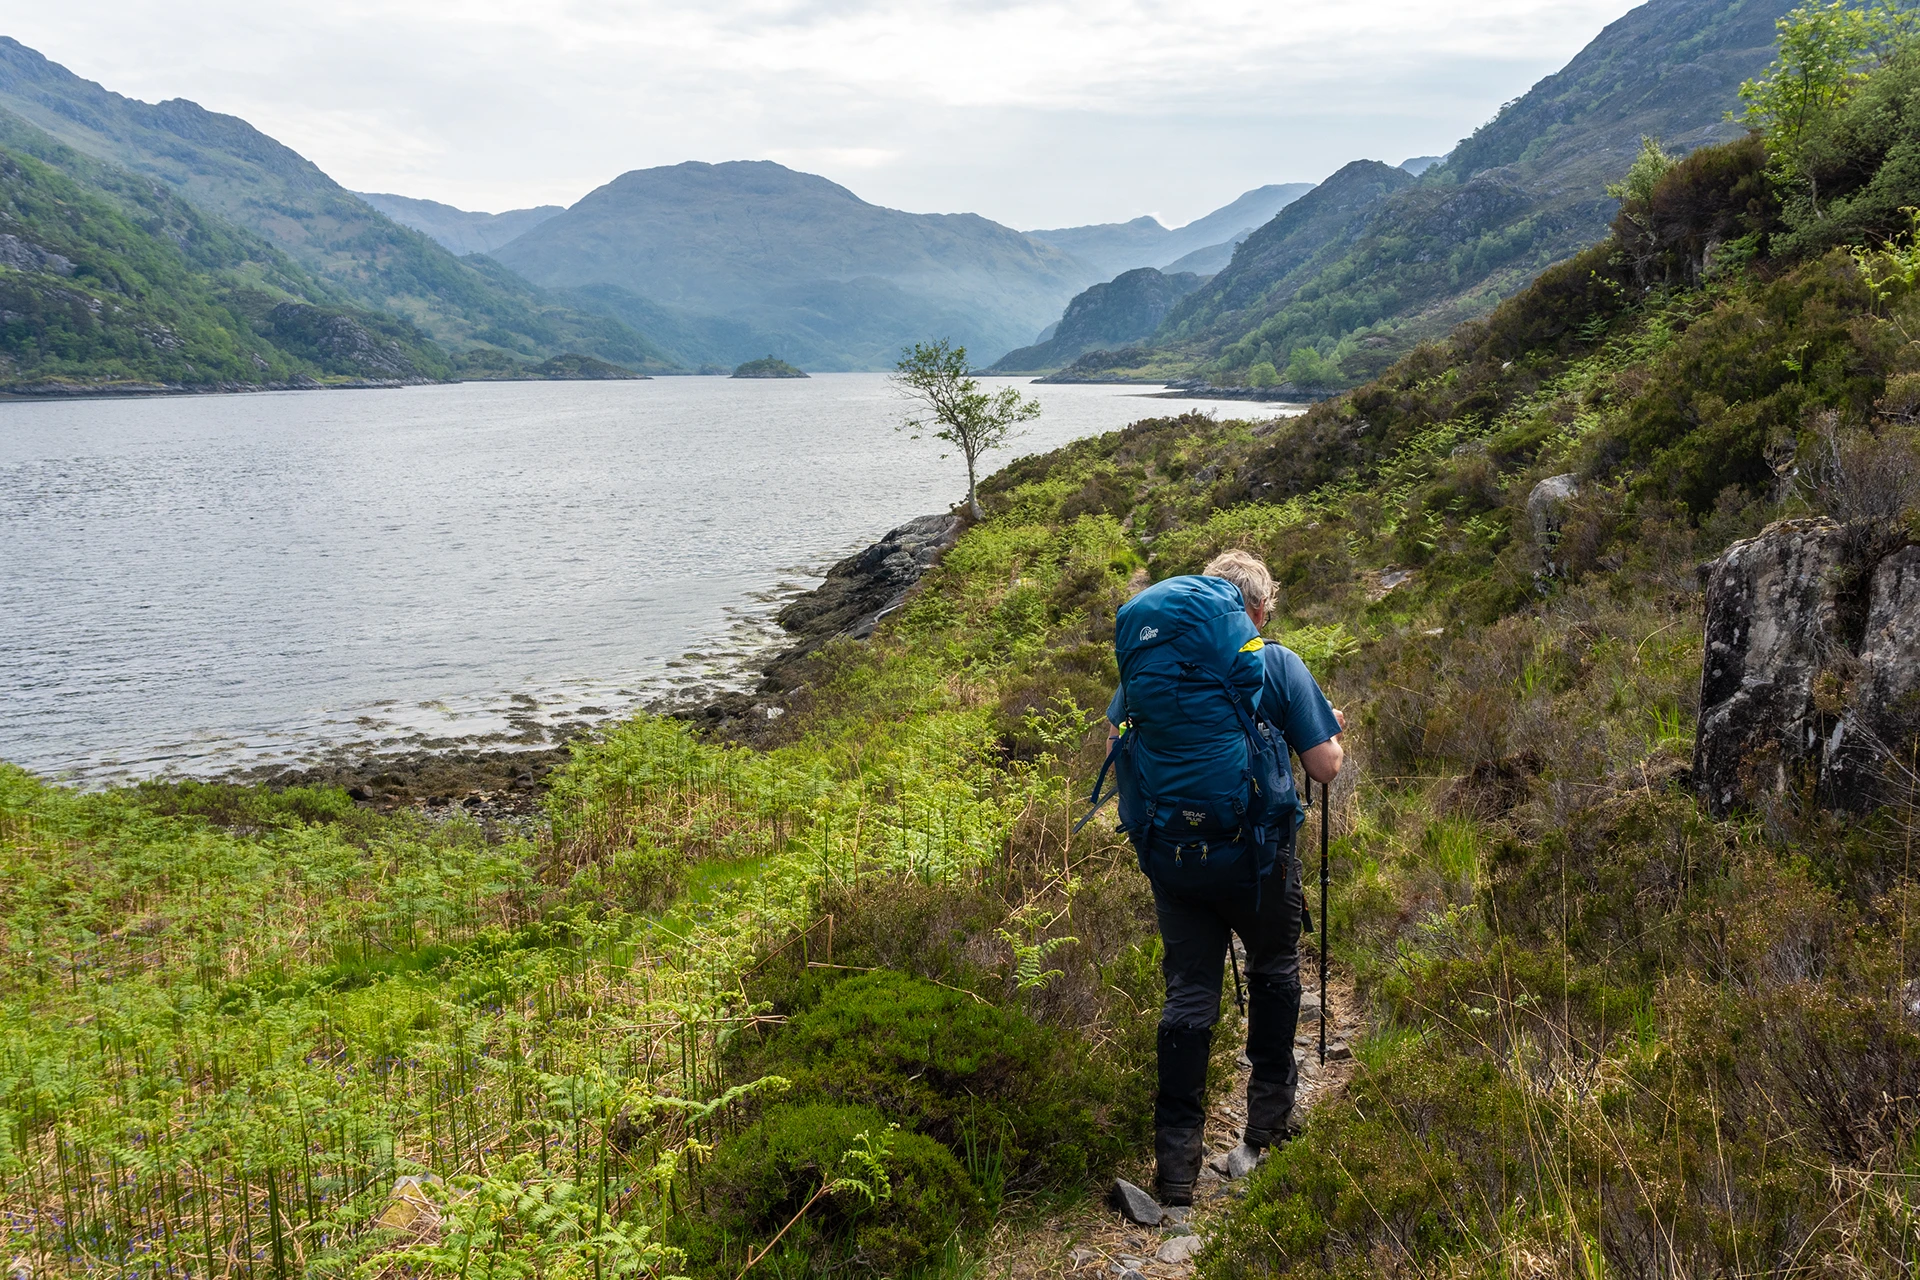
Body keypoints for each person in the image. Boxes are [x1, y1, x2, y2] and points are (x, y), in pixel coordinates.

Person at [1105, 549, 1345, 1206]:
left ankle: (1176, 1173)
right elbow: (1324, 767)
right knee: (1274, 970)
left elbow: (1116, 743)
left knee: (1187, 997)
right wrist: (1329, 733)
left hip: (1174, 860)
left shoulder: (1152, 666)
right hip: (1258, 861)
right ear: (1258, 610)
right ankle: (1266, 1129)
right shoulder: (1276, 663)